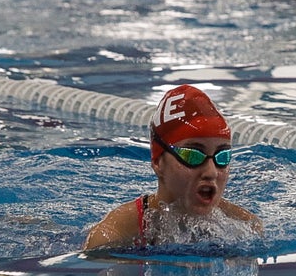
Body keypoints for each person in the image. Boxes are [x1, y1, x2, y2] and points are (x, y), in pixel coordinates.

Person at [84, 85, 263, 251]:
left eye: (222, 157)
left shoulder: (246, 227)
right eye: (193, 155)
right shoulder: (112, 236)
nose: (211, 172)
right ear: (158, 162)